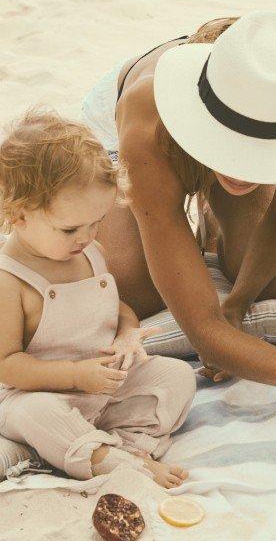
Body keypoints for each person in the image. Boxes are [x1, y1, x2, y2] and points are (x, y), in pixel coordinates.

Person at [82, 12, 276, 419]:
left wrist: (237, 303)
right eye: (230, 149)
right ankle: (199, 200)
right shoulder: (145, 112)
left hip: (234, 110)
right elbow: (203, 330)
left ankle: (214, 213)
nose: (240, 170)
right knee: (134, 286)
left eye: (254, 155)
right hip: (137, 134)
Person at [0, 109, 195, 487]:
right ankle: (116, 459)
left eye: (96, 222)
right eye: (71, 227)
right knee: (38, 414)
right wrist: (75, 376)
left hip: (100, 389)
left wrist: (127, 335)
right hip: (36, 394)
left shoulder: (86, 251)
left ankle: (115, 443)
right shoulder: (10, 280)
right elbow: (7, 365)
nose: (86, 236)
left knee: (179, 377)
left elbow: (116, 309)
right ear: (20, 216)